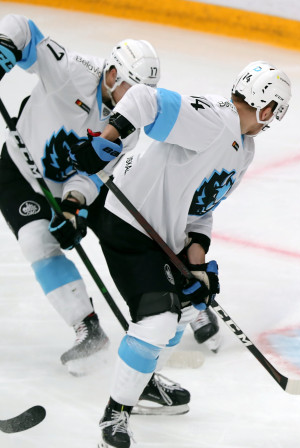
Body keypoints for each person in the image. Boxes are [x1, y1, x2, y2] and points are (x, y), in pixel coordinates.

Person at [66, 60, 291, 448]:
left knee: (186, 310)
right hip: (127, 222)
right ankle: (114, 417)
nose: (270, 123)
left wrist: (197, 265)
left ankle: (144, 382)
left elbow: (202, 209)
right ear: (267, 108)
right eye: (274, 115)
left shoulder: (243, 149)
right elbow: (142, 99)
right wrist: (110, 137)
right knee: (156, 320)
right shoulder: (215, 119)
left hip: (164, 237)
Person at [0, 13, 160, 375]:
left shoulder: (129, 126)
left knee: (125, 233)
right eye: (132, 93)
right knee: (36, 243)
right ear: (113, 75)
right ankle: (88, 328)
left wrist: (73, 208)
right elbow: (23, 28)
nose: (136, 106)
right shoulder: (72, 72)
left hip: (64, 183)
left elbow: (94, 174)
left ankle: (170, 308)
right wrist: (4, 47)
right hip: (19, 170)